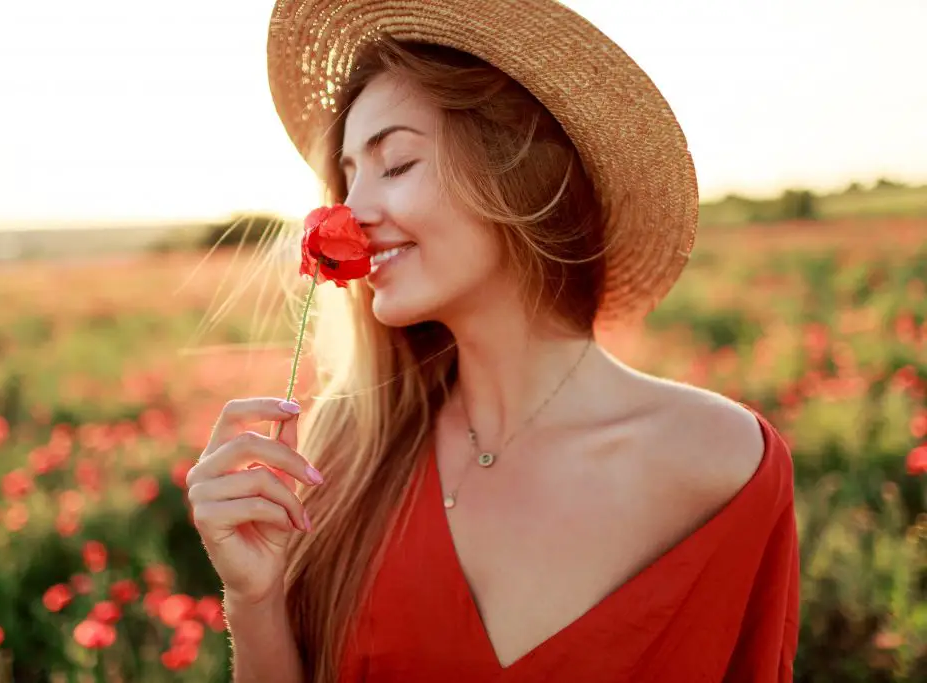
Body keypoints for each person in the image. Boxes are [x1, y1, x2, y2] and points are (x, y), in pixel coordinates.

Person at [185, 1, 800, 681]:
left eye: (395, 164)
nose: (350, 214)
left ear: (514, 168)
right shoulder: (341, 456)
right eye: (348, 175)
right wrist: (254, 596)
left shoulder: (723, 464)